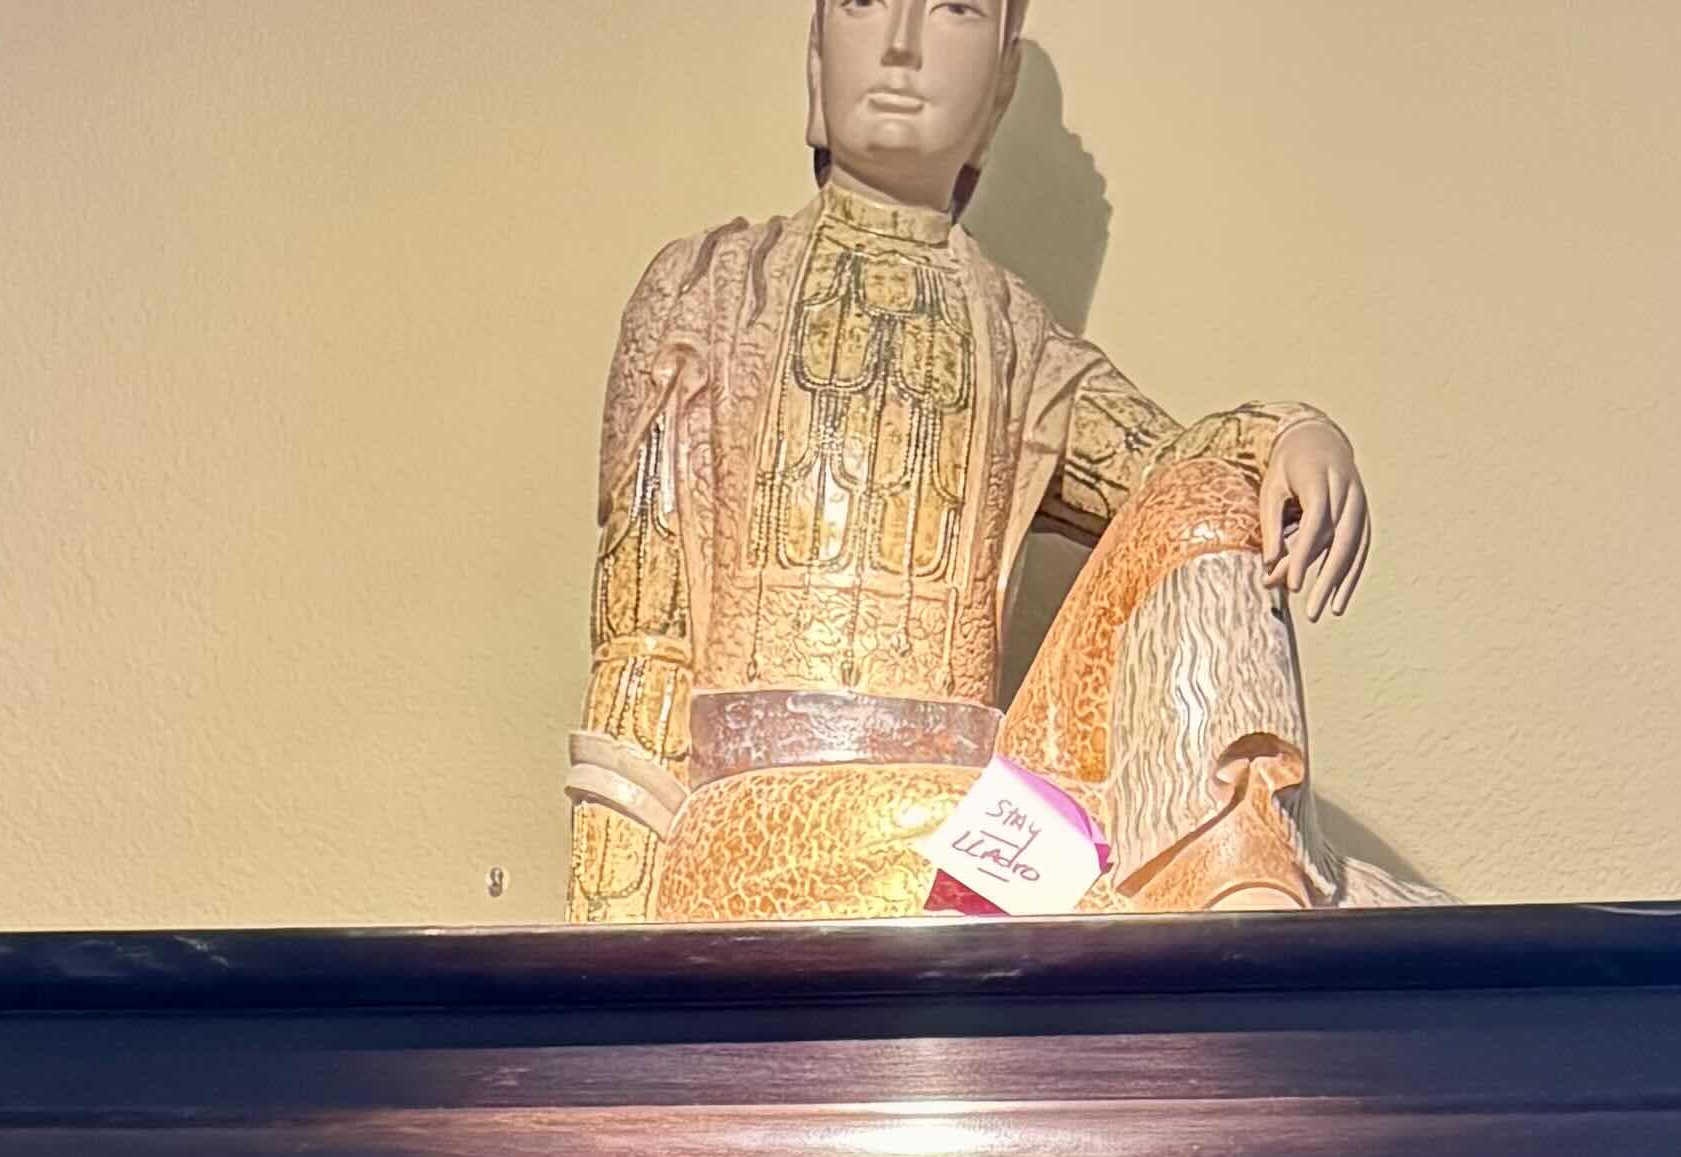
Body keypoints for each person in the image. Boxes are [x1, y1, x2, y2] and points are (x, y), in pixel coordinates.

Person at [569, 0, 1373, 927]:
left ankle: (1245, 892)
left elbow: (1177, 469)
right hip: (756, 824)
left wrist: (1292, 433)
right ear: (816, 48)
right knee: (1158, 860)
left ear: (1000, 89)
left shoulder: (1014, 337)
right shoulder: (708, 292)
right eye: (864, 2)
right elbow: (640, 648)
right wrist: (604, 967)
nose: (902, 44)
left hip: (973, 820)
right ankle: (1232, 897)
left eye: (953, 8)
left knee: (1209, 497)